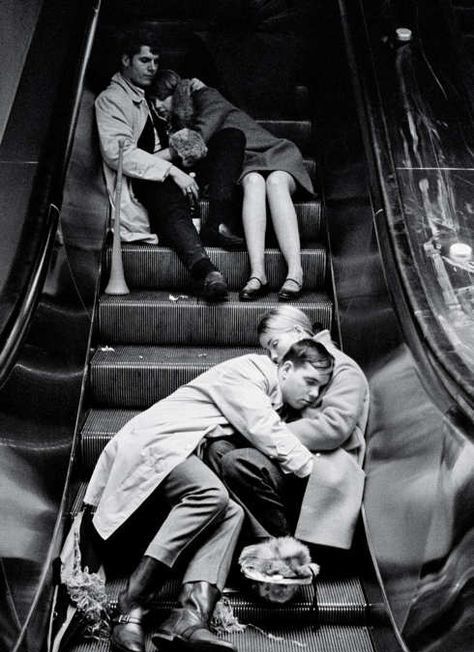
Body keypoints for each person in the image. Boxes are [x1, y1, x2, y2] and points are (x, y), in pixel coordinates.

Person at [82, 339, 334, 652]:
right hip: (159, 446)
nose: (313, 395)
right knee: (211, 495)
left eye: (321, 387)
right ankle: (131, 604)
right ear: (285, 368)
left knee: (231, 512)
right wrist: (323, 478)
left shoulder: (273, 396)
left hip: (182, 458)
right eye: (310, 382)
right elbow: (265, 430)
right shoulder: (249, 372)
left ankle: (189, 619)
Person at [94, 27, 246, 302]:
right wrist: (172, 169)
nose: (152, 68)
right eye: (144, 61)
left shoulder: (145, 93)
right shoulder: (112, 100)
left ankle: (217, 221)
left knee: (231, 137)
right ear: (125, 60)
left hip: (172, 165)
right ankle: (205, 270)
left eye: (155, 61)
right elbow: (119, 154)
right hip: (145, 178)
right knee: (163, 188)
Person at [206, 305, 370, 553]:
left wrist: (273, 434)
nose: (272, 355)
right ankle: (267, 543)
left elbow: (334, 428)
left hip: (324, 465)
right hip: (296, 456)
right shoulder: (297, 363)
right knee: (218, 448)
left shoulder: (341, 367)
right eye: (267, 349)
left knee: (239, 461)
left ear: (296, 331)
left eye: (274, 343)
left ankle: (287, 550)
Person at [150, 70, 315, 301]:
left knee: (276, 182)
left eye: (161, 96)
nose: (157, 104)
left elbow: (194, 141)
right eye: (153, 99)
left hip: (274, 153)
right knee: (254, 181)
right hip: (248, 165)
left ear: (176, 93)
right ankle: (258, 274)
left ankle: (295, 271)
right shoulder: (184, 115)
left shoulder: (206, 96)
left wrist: (145, 158)